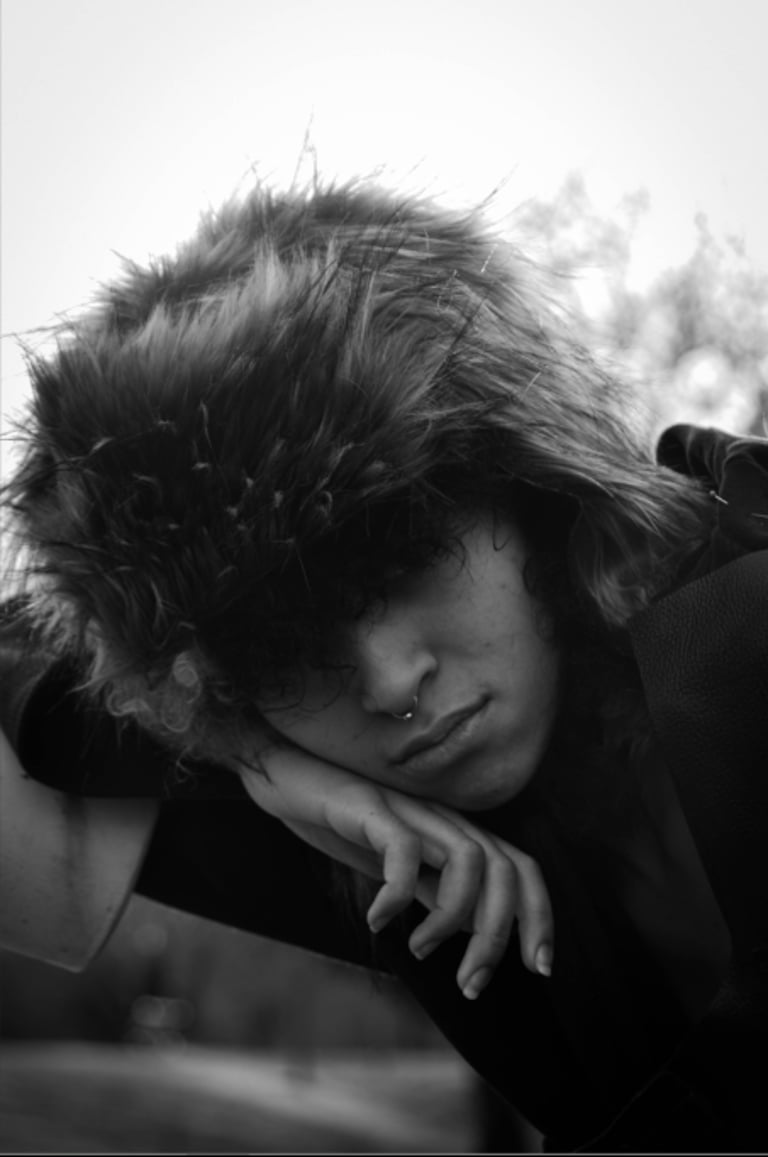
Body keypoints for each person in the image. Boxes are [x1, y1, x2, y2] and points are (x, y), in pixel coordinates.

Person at [2, 177, 767, 1152]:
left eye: (407, 556)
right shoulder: (377, 830)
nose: (390, 682)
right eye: (282, 642)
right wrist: (254, 760)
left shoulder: (739, 621)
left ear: (529, 486)